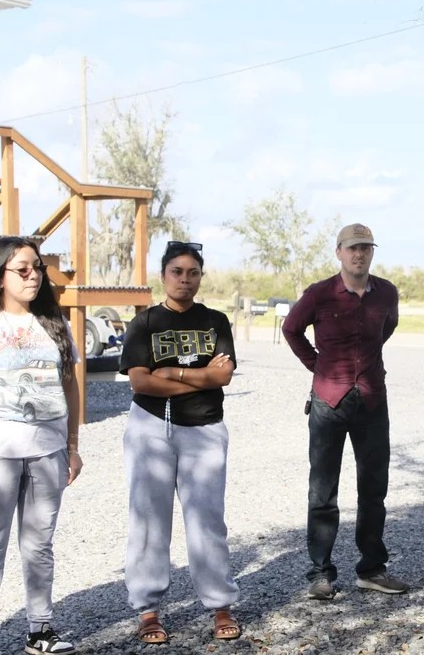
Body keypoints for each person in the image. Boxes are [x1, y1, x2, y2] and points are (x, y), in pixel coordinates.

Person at [0, 237, 82, 655]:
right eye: (22, 269)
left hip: (47, 451)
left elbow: (70, 384)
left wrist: (72, 445)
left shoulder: (53, 323)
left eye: (37, 267)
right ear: (0, 274)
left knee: (40, 545)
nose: (33, 275)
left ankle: (40, 630)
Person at [119, 241, 240, 643]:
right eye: (177, 271)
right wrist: (198, 376)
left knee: (206, 519)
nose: (184, 279)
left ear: (200, 277)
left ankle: (220, 603)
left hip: (204, 427)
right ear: (163, 275)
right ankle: (148, 609)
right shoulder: (145, 323)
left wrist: (172, 373)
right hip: (151, 427)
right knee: (149, 519)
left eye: (192, 273)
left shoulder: (216, 321)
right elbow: (139, 381)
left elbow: (222, 377)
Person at [282, 223, 408, 600]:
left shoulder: (385, 292)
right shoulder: (320, 293)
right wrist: (318, 365)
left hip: (372, 399)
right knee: (323, 491)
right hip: (328, 401)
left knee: (374, 488)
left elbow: (389, 326)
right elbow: (291, 329)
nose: (359, 254)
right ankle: (321, 573)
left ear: (372, 252)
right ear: (338, 252)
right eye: (352, 248)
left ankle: (371, 569)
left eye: (366, 248)